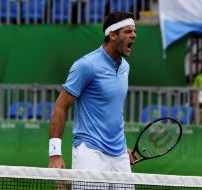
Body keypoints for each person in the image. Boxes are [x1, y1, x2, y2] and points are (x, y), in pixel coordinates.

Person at [48, 12, 137, 173]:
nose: (134, 35)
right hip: (90, 152)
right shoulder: (86, 65)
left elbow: (113, 111)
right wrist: (55, 154)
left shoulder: (125, 67)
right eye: (128, 31)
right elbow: (60, 108)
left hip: (120, 154)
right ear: (112, 35)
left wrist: (122, 147)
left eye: (134, 31)